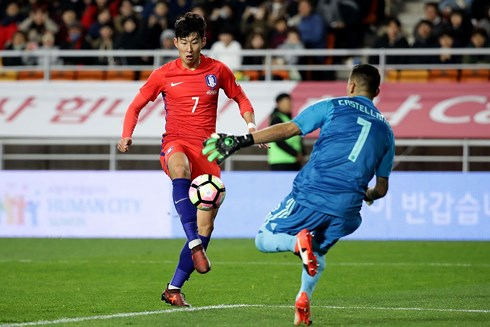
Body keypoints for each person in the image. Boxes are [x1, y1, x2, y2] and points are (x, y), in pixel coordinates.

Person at [202, 64, 395, 326]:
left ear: (350, 86)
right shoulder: (386, 131)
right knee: (316, 254)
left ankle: (296, 243)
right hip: (347, 209)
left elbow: (291, 128)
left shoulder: (333, 106)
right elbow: (381, 189)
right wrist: (368, 193)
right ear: (377, 92)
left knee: (264, 238)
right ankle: (303, 298)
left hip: (313, 192)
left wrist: (241, 141)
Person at [117, 12, 259, 307]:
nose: (190, 48)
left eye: (195, 42)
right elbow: (135, 106)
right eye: (184, 42)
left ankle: (173, 288)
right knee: (179, 166)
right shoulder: (163, 74)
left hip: (207, 151)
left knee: (207, 226)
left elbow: (241, 99)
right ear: (176, 43)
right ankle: (192, 240)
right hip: (176, 143)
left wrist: (251, 127)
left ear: (203, 41)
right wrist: (126, 134)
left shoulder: (218, 70)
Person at [268, 93, 305, 171]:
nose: (290, 105)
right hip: (281, 161)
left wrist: (302, 153)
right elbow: (278, 141)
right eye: (287, 102)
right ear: (279, 104)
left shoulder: (289, 119)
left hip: (293, 160)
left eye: (290, 102)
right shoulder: (276, 119)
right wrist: (296, 154)